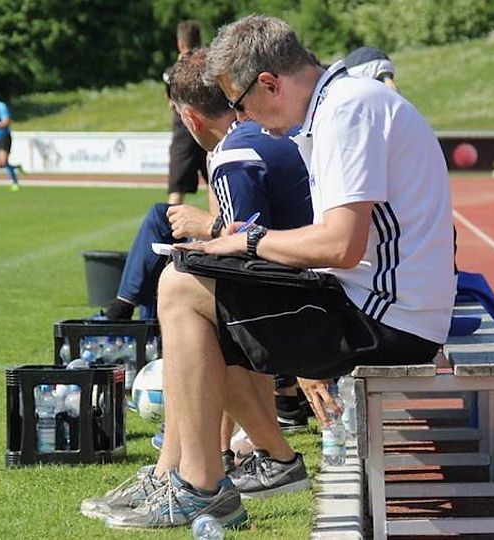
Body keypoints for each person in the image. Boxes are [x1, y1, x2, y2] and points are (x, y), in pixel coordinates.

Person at [101, 15, 455, 530]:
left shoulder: (347, 110)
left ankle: (200, 485)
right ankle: (178, 474)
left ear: (269, 83)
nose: (243, 118)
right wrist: (243, 245)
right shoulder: (340, 104)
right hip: (383, 305)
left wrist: (249, 241)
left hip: (387, 320)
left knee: (181, 287)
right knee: (195, 278)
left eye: (240, 104)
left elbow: (340, 244)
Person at [82, 48, 315, 523]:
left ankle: (220, 474)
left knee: (185, 293)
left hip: (316, 307)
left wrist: (206, 231)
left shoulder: (235, 150)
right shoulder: (255, 138)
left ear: (189, 117)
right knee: (193, 295)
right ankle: (174, 470)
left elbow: (248, 254)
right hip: (319, 293)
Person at [164, 20, 209, 205]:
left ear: (180, 43)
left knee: (176, 191)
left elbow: (171, 103)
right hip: (211, 128)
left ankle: (171, 226)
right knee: (217, 183)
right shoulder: (209, 67)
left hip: (185, 132)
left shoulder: (173, 72)